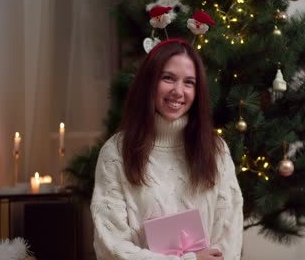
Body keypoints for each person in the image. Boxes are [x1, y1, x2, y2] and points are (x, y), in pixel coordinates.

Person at [90, 38, 243, 260]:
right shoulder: (115, 153)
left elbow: (229, 237)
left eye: (189, 82)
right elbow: (110, 246)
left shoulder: (216, 149)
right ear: (149, 83)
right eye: (168, 78)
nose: (178, 91)